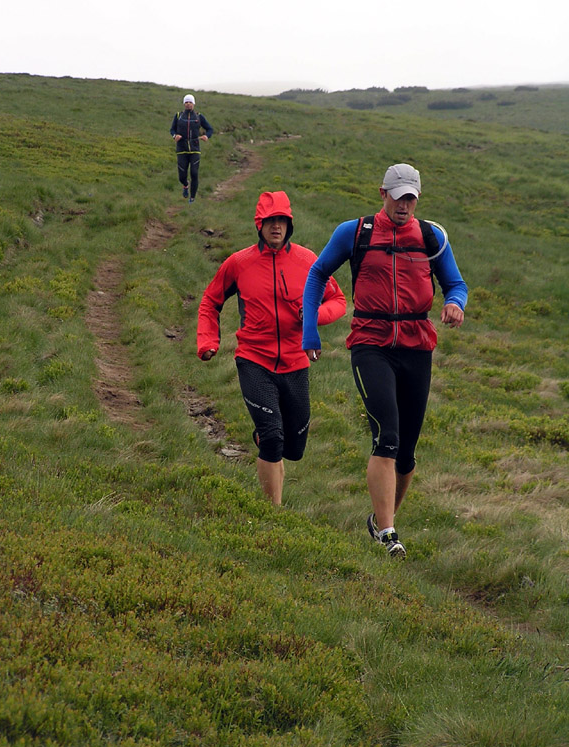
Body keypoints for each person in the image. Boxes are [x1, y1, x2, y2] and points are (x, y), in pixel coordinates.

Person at [302, 164, 468, 558]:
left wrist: (454, 303)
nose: (404, 205)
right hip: (371, 344)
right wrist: (310, 331)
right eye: (398, 197)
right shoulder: (354, 232)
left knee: (406, 453)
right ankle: (389, 535)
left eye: (411, 198)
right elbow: (317, 274)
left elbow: (455, 283)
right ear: (383, 194)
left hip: (416, 346)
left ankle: (381, 520)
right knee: (387, 437)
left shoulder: (431, 236)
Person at [197, 191, 346, 506]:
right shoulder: (239, 263)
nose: (276, 227)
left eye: (282, 221)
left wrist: (314, 316)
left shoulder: (308, 261)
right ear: (259, 225)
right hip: (254, 360)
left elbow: (338, 300)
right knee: (273, 437)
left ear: (290, 225)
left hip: (295, 363)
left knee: (294, 448)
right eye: (270, 221)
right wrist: (208, 341)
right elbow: (211, 300)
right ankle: (272, 511)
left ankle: (266, 438)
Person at [170, 94, 213, 203]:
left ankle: (192, 198)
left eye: (190, 102)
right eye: (186, 102)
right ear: (184, 104)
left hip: (195, 149)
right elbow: (172, 129)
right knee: (182, 176)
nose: (188, 104)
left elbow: (210, 129)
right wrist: (175, 136)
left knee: (194, 173)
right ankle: (185, 185)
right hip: (182, 150)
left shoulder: (199, 117)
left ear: (193, 104)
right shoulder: (178, 116)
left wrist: (206, 136)